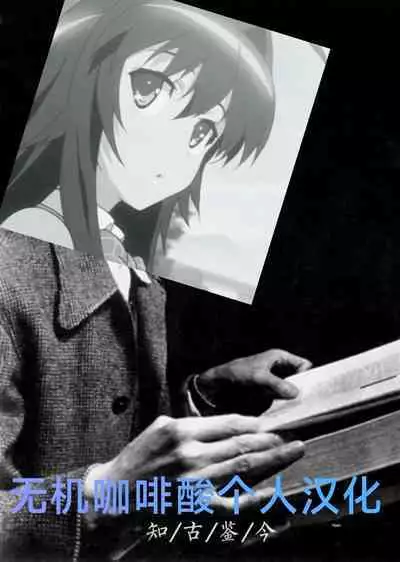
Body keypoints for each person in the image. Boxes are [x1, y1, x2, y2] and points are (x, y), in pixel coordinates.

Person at [0, 2, 312, 561]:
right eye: (149, 87)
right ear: (88, 74)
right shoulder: (10, 268)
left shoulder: (138, 271)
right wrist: (104, 494)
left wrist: (203, 396)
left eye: (205, 131)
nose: (176, 146)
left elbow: (128, 437)